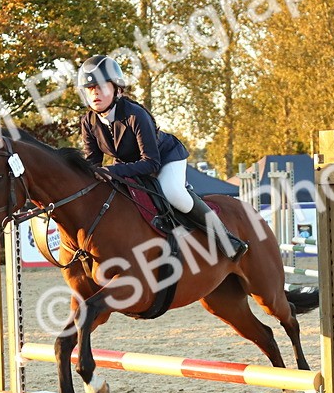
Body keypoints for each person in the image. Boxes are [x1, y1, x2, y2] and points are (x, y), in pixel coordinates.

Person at [76, 54, 247, 260]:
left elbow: (151, 163)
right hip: (128, 165)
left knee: (173, 192)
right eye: (90, 89)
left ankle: (226, 238)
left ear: (117, 89)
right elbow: (92, 163)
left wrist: (111, 171)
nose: (95, 93)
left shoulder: (135, 115)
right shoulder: (88, 121)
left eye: (101, 87)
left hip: (164, 158)